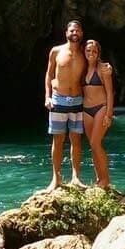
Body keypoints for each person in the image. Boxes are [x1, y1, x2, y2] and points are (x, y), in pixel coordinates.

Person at [44, 20, 87, 190]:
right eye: (71, 30)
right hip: (58, 99)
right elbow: (48, 75)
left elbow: (94, 69)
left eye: (77, 30)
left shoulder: (85, 52)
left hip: (77, 100)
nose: (74, 33)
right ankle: (56, 179)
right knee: (58, 139)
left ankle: (76, 178)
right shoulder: (56, 51)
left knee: (76, 139)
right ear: (66, 33)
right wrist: (47, 97)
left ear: (81, 33)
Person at [81, 39, 116, 188]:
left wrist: (109, 114)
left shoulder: (103, 69)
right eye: (88, 50)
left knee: (96, 143)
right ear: (84, 51)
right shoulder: (81, 68)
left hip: (101, 108)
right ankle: (99, 179)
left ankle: (106, 180)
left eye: (94, 51)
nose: (91, 53)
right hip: (86, 111)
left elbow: (109, 92)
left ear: (98, 53)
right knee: (92, 145)